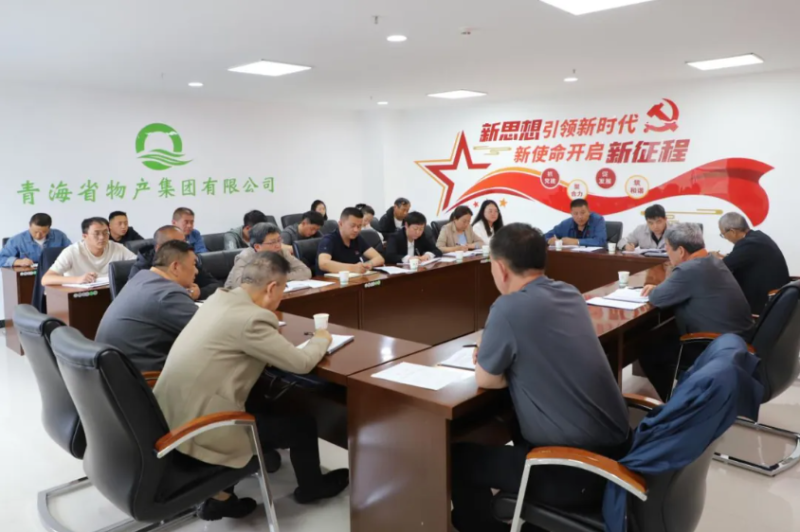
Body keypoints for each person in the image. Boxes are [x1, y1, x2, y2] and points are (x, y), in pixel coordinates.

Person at [451, 223, 630, 532]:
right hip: (618, 452)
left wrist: (498, 361)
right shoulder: (569, 293)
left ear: (500, 268)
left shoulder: (507, 308)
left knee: (459, 458)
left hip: (578, 470)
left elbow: (486, 379)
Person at [154, 251, 349, 519]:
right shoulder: (252, 319)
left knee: (265, 402)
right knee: (302, 425)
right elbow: (302, 362)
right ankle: (312, 488)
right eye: (282, 290)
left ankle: (221, 497)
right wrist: (322, 338)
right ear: (271, 288)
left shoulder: (218, 299)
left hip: (169, 417)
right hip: (203, 426)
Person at [640, 223, 753, 400]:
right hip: (736, 341)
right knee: (663, 336)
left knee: (648, 352)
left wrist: (656, 289)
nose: (667, 253)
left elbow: (657, 298)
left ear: (681, 251)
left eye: (667, 248)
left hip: (715, 346)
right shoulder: (712, 261)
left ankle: (679, 403)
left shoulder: (689, 269)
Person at [96, 240, 199, 371]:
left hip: (114, 372)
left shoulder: (141, 278)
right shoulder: (167, 294)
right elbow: (209, 331)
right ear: (175, 267)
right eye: (194, 264)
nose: (196, 271)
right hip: (143, 376)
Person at [713, 212, 790, 314]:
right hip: (774, 297)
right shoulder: (758, 237)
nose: (725, 238)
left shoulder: (749, 243)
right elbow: (739, 258)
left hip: (761, 303)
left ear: (732, 232)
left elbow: (722, 266)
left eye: (723, 234)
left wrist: (713, 258)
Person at [129, 226, 221, 300]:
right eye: (177, 245)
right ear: (159, 248)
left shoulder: (186, 258)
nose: (184, 248)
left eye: (184, 242)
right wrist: (182, 295)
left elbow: (217, 286)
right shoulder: (141, 269)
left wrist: (199, 293)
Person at [42, 217, 135, 286]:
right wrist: (78, 279)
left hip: (110, 292)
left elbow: (139, 265)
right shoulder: (72, 251)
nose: (102, 237)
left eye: (105, 233)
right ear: (84, 236)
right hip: (79, 296)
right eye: (96, 233)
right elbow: (46, 279)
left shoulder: (117, 247)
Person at [226, 223, 311, 288]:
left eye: (279, 240)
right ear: (257, 247)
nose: (278, 245)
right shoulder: (246, 257)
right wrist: (270, 280)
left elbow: (306, 271)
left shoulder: (281, 252)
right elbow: (238, 285)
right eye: (272, 242)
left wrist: (278, 278)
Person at [316, 207, 385, 275]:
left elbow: (379, 258)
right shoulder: (328, 240)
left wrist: (368, 264)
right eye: (352, 226)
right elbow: (323, 263)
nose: (356, 230)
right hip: (331, 280)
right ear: (340, 224)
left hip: (354, 278)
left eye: (359, 226)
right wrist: (353, 268)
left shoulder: (357, 239)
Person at [0, 213, 71, 267]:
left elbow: (72, 253)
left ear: (49, 228)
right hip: (28, 276)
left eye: (43, 232)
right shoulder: (17, 240)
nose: (38, 235)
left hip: (55, 273)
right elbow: (1, 259)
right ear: (29, 226)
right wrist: (18, 262)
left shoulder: (59, 236)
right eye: (35, 232)